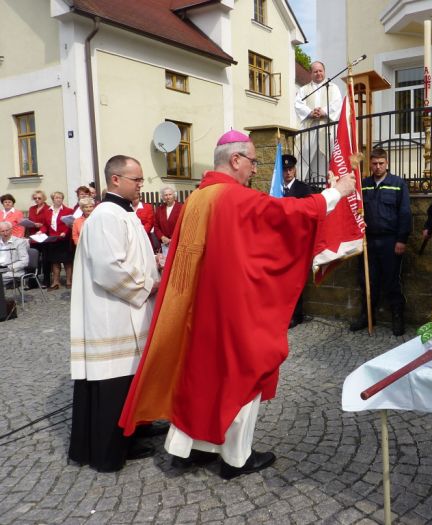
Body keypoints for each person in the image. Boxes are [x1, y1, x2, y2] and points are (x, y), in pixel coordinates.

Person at [119, 129, 357, 480]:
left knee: (199, 376)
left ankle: (191, 448)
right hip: (231, 309)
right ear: (235, 160)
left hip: (198, 308)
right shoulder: (233, 198)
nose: (253, 170)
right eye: (251, 162)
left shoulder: (199, 198)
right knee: (245, 372)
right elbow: (289, 214)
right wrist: (338, 192)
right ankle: (235, 457)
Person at [69, 155, 161, 473]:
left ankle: (131, 434)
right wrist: (150, 285)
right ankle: (110, 450)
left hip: (126, 312)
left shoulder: (124, 214)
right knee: (114, 384)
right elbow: (109, 270)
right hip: (112, 317)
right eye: (136, 180)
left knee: (128, 382)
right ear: (116, 180)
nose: (141, 185)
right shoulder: (107, 216)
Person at [350, 148, 412, 336]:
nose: (378, 167)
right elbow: (354, 210)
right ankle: (367, 316)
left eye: (381, 163)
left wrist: (402, 239)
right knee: (368, 281)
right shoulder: (364, 185)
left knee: (392, 281)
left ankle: (397, 317)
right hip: (368, 241)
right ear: (370, 164)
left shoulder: (397, 184)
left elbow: (405, 213)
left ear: (387, 163)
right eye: (374, 163)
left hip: (390, 241)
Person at [294, 61, 342, 182]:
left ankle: (330, 182)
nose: (318, 73)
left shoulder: (333, 88)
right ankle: (303, 181)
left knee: (328, 155)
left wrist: (324, 112)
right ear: (311, 73)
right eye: (315, 71)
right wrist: (311, 112)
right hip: (310, 126)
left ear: (324, 72)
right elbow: (298, 104)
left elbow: (337, 104)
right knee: (305, 153)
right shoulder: (304, 89)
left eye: (320, 71)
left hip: (327, 128)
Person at [281, 154, 312, 328]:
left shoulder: (303, 189)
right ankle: (283, 313)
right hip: (280, 241)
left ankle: (296, 314)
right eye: (285, 170)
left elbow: (306, 214)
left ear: (295, 169)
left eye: (290, 169)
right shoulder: (277, 188)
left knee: (296, 279)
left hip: (297, 240)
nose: (287, 172)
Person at [46, 191, 73, 289]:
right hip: (53, 239)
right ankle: (56, 282)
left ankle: (69, 281)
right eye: (56, 198)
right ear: (53, 199)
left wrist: (65, 232)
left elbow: (69, 224)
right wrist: (40, 231)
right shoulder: (48, 211)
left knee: (67, 262)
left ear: (62, 199)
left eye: (60, 198)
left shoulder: (69, 210)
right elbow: (46, 226)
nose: (58, 199)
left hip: (64, 239)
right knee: (55, 262)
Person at [154, 186, 182, 256]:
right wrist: (162, 237)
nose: (168, 197)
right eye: (165, 195)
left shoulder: (181, 208)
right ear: (163, 197)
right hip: (165, 244)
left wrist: (173, 239)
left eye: (170, 194)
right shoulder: (159, 209)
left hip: (178, 243)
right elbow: (156, 226)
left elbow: (184, 225)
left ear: (174, 195)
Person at [0, 221, 29, 288]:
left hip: (12, 271)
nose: (5, 233)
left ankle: (2, 298)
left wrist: (8, 268)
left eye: (7, 230)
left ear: (11, 230)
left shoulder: (20, 242)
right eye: (2, 231)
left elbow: (24, 261)